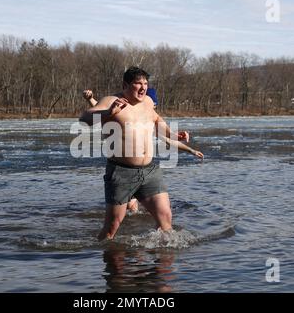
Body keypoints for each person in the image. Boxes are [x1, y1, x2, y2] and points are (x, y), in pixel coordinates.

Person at [80, 67, 203, 241]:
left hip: (149, 171)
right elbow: (84, 118)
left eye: (145, 83)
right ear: (126, 85)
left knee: (165, 219)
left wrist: (173, 134)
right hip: (121, 173)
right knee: (111, 228)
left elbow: (157, 120)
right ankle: (106, 258)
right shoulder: (112, 100)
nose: (143, 87)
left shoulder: (147, 102)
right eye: (138, 83)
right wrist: (108, 113)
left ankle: (161, 261)